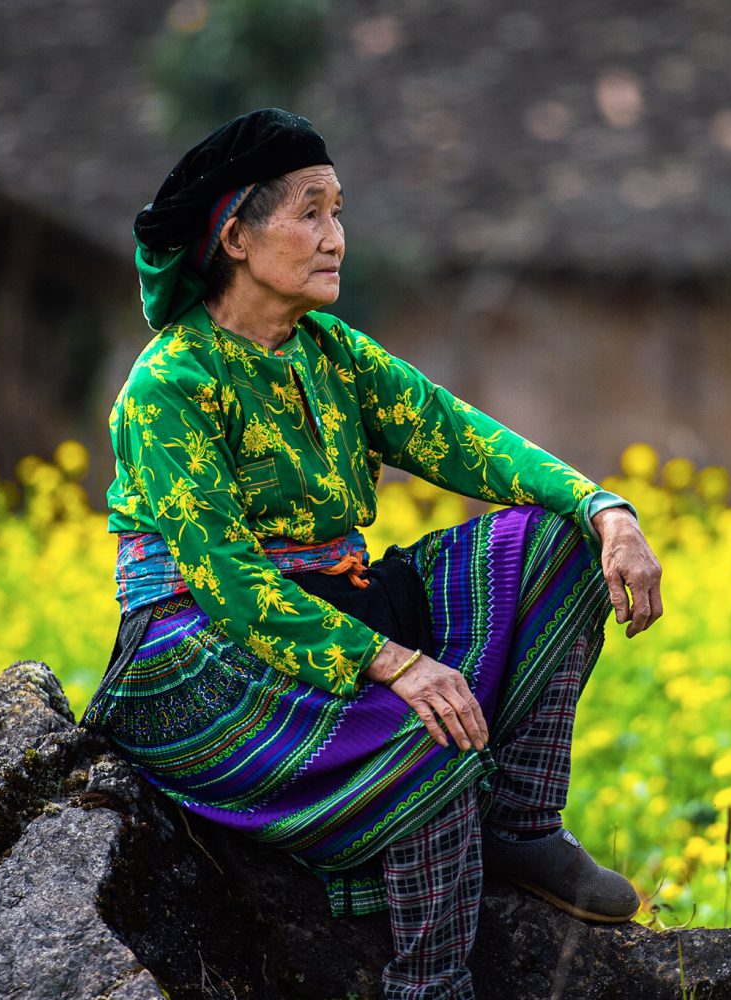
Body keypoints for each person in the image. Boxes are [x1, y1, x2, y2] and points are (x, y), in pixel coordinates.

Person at [80, 108, 664, 999]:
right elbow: (231, 583)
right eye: (310, 212)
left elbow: (463, 438)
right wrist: (396, 663)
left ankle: (521, 826)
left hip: (340, 601)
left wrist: (604, 508)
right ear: (235, 237)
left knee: (562, 544)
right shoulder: (170, 384)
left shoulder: (334, 354)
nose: (335, 238)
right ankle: (428, 987)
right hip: (200, 654)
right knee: (429, 736)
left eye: (339, 212)